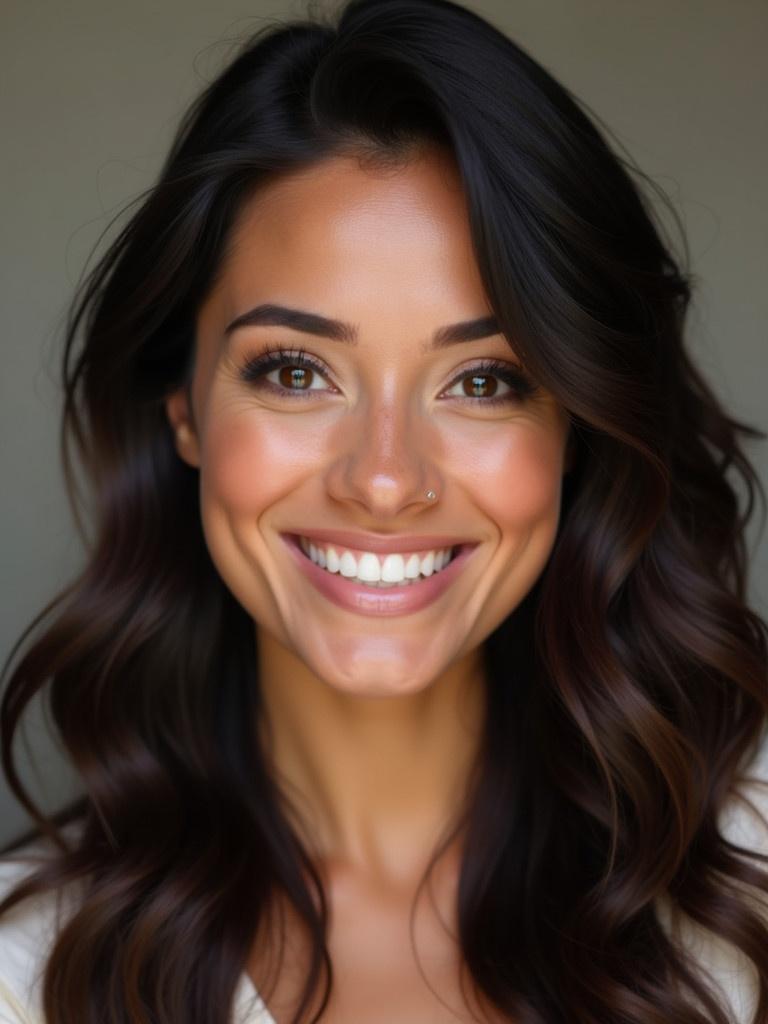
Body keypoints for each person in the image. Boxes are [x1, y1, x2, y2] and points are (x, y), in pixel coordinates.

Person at [1, 0, 767, 1021]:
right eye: (294, 370)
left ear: (576, 424)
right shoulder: (27, 975)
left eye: (486, 380)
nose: (387, 479)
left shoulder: (745, 870)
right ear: (183, 404)